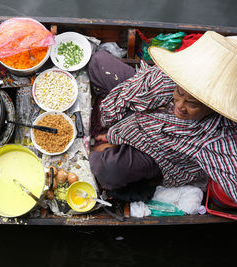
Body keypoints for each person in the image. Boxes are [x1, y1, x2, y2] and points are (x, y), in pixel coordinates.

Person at [88, 31, 237, 203]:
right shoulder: (173, 78)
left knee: (107, 170)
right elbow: (134, 91)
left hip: (159, 153)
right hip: (143, 113)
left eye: (192, 104)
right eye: (179, 94)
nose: (180, 106)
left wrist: (113, 138)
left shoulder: (216, 138)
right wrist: (111, 125)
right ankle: (114, 133)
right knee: (98, 62)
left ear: (213, 107)